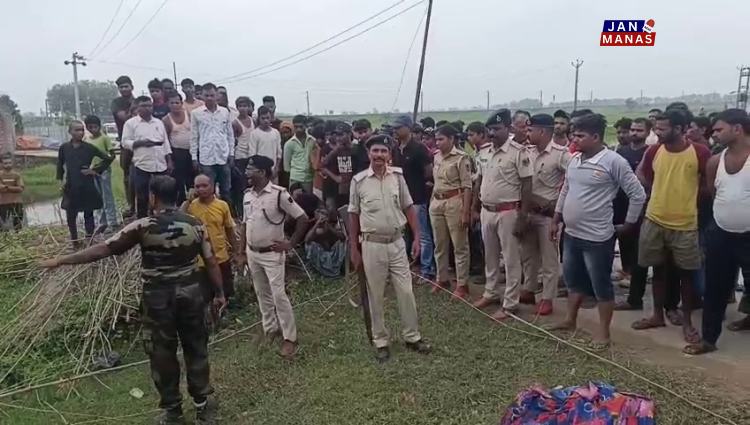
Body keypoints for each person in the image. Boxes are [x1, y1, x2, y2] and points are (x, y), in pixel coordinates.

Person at [39, 175, 225, 424]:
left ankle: (173, 411)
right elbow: (211, 261)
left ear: (153, 197)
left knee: (161, 354)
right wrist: (219, 293)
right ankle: (202, 406)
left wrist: (61, 260)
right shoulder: (196, 224)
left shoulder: (143, 226)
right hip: (191, 295)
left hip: (158, 299)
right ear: (177, 196)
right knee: (196, 348)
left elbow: (104, 249)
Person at [549, 113, 646, 348]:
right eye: (574, 135)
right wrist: (557, 217)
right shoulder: (575, 160)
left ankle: (604, 333)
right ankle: (570, 320)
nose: (575, 139)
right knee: (573, 281)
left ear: (595, 137)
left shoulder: (614, 162)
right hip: (572, 234)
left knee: (601, 285)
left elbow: (638, 194)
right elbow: (566, 189)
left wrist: (629, 224)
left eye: (580, 136)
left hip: (598, 238)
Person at [348, 135, 431, 362]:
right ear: (368, 153)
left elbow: (409, 207)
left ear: (389, 155)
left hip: (396, 242)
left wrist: (417, 238)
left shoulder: (398, 177)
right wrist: (354, 248)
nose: (379, 155)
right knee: (375, 294)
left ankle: (412, 336)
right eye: (375, 151)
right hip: (371, 244)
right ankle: (381, 340)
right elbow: (353, 215)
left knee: (406, 291)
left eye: (383, 151)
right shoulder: (359, 181)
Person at [632, 108, 711, 344]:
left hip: (685, 224)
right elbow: (645, 176)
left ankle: (687, 322)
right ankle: (657, 315)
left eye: (662, 128)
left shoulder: (700, 152)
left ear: (680, 128)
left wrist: (687, 199)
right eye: (656, 128)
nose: (657, 132)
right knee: (657, 270)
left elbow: (708, 186)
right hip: (654, 219)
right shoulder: (654, 151)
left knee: (686, 275)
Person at [683, 109, 750, 355]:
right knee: (714, 289)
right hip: (721, 234)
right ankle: (709, 339)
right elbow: (715, 195)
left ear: (737, 129)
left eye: (719, 129)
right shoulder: (714, 162)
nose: (714, 134)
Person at [236, 155, 308, 359]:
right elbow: (245, 223)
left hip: (272, 253)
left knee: (278, 295)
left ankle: (290, 338)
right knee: (262, 293)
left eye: (250, 169)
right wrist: (241, 252)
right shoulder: (247, 195)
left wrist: (290, 243)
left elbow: (302, 218)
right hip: (253, 253)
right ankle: (270, 328)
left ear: (262, 172)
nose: (246, 172)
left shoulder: (279, 194)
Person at [471, 109, 532, 319]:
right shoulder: (484, 152)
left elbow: (527, 185)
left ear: (508, 128)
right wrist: (474, 208)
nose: (492, 133)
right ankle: (490, 293)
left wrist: (523, 216)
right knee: (490, 256)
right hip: (487, 210)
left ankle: (510, 303)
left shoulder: (518, 152)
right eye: (490, 129)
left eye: (497, 129)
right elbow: (479, 180)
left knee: (510, 258)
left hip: (509, 212)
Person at [519, 114, 570, 316]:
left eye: (530, 130)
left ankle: (547, 298)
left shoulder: (560, 154)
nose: (527, 133)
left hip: (548, 215)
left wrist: (560, 206)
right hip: (528, 211)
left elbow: (573, 179)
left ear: (542, 131)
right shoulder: (526, 152)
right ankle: (529, 289)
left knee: (549, 257)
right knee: (528, 254)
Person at [614, 118, 654, 311]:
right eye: (632, 129)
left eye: (639, 130)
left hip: (641, 205)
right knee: (623, 240)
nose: (634, 133)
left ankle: (635, 288)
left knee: (639, 247)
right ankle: (626, 270)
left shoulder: (649, 152)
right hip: (620, 203)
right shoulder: (621, 151)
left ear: (647, 132)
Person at [430, 124, 473, 299]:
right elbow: (436, 182)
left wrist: (465, 212)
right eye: (436, 139)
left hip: (455, 201)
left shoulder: (461, 158)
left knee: (459, 245)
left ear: (451, 139)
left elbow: (467, 186)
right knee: (439, 245)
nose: (437, 143)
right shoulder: (436, 157)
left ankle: (462, 284)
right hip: (437, 201)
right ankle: (442, 278)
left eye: (441, 139)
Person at [391, 115, 436, 281]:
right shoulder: (396, 149)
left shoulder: (419, 149)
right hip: (400, 198)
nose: (395, 130)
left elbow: (428, 172)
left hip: (417, 198)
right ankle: (409, 265)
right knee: (405, 235)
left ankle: (427, 270)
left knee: (422, 235)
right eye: (394, 127)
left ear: (408, 128)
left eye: (398, 127)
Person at [184, 174, 238, 306]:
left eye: (204, 186)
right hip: (200, 261)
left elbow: (229, 230)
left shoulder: (222, 205)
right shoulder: (191, 206)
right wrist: (186, 202)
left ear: (213, 186)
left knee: (226, 294)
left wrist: (237, 252)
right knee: (204, 296)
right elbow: (178, 218)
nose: (201, 189)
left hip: (221, 257)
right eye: (197, 186)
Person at [58, 121, 113, 245]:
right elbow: (60, 165)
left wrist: (95, 170)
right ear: (70, 132)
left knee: (89, 213)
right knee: (71, 214)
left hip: (86, 185)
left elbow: (108, 158)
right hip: (71, 185)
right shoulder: (64, 148)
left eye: (82, 130)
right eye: (77, 130)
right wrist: (60, 181)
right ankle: (74, 240)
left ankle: (89, 238)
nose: (80, 132)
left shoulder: (89, 148)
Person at [122, 96, 174, 218]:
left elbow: (165, 143)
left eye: (149, 105)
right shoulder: (131, 123)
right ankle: (142, 221)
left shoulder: (158, 122)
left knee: (161, 195)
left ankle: (160, 220)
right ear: (137, 108)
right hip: (142, 164)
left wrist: (169, 160)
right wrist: (140, 143)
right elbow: (124, 142)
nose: (147, 108)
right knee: (142, 196)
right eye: (144, 106)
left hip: (160, 164)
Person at [190, 83, 234, 204]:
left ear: (217, 96)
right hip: (206, 159)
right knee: (208, 190)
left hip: (223, 157)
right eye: (206, 95)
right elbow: (194, 137)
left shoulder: (224, 112)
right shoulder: (196, 113)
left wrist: (231, 154)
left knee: (226, 190)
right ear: (202, 96)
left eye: (212, 95)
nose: (209, 98)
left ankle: (227, 213)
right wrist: (194, 157)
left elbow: (230, 135)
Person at [84, 115, 120, 233]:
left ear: (99, 126)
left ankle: (112, 222)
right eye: (90, 127)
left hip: (103, 170)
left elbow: (112, 155)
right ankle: (102, 223)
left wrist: (101, 167)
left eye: (95, 127)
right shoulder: (87, 139)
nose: (93, 129)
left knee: (107, 196)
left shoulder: (104, 138)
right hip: (92, 171)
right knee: (98, 197)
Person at [611, 118, 633, 282]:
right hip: (616, 201)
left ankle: (629, 271)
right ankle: (624, 269)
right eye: (619, 132)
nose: (621, 135)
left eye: (625, 132)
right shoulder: (616, 150)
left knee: (629, 239)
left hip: (630, 202)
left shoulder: (642, 151)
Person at [163, 91, 193, 205]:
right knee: (179, 181)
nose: (175, 105)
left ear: (181, 103)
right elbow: (166, 140)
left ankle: (193, 204)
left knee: (191, 180)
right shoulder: (166, 120)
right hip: (177, 153)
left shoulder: (189, 115)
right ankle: (180, 204)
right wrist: (169, 159)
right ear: (168, 104)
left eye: (177, 102)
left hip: (191, 152)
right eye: (172, 103)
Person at [112, 75, 136, 217]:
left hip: (141, 142)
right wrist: (134, 106)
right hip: (125, 142)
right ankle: (131, 206)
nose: (124, 89)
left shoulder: (139, 101)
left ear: (132, 87)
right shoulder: (116, 103)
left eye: (126, 86)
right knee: (127, 175)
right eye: (121, 87)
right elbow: (125, 118)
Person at [305, 207, 346, 278]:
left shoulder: (332, 226)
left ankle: (338, 268)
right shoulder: (314, 228)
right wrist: (317, 224)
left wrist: (329, 227)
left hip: (332, 255)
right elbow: (307, 240)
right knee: (310, 245)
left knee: (342, 243)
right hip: (319, 256)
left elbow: (342, 238)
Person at [243, 106, 282, 180]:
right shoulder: (254, 133)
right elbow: (252, 154)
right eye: (263, 118)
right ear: (259, 119)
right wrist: (257, 170)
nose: (266, 121)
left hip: (273, 170)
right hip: (260, 171)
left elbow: (279, 153)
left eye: (267, 118)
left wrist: (276, 168)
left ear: (271, 118)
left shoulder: (276, 132)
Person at [284, 115, 315, 193]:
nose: (298, 129)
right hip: (295, 178)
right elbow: (286, 166)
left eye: (301, 127)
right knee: (294, 200)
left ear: (306, 126)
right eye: (296, 127)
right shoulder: (289, 144)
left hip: (309, 178)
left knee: (308, 199)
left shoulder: (312, 141)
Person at [0, 154, 24, 231]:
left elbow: (20, 188)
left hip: (16, 202)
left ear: (12, 163)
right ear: (2, 164)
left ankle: (19, 237)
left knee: (18, 225)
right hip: (2, 203)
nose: (8, 165)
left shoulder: (17, 175)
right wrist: (14, 187)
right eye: (6, 163)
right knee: (3, 226)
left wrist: (6, 187)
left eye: (9, 163)